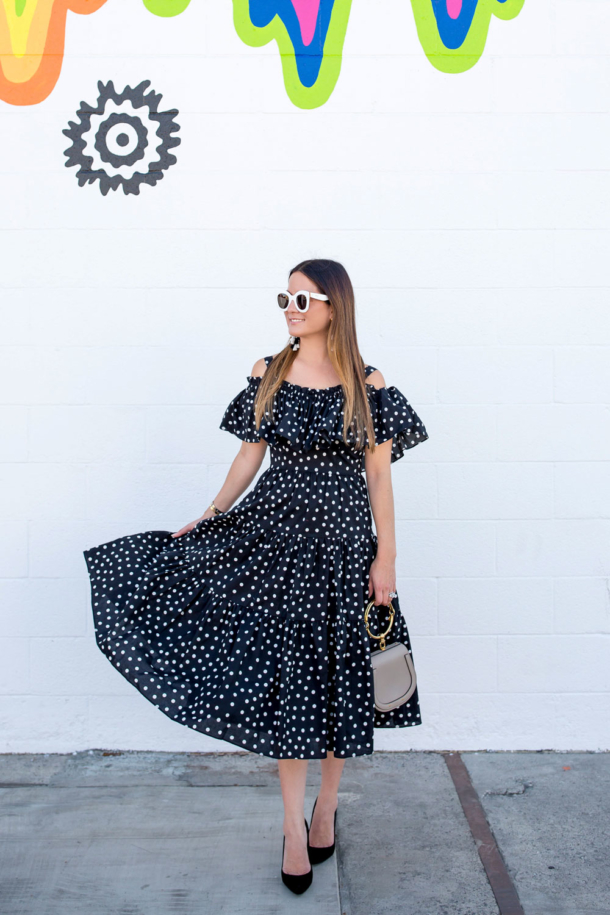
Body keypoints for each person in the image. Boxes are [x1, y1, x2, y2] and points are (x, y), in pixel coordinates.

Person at [83, 258, 429, 895]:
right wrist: (211, 514)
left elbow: (379, 477)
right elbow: (249, 455)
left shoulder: (369, 382)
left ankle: (326, 808)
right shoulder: (267, 373)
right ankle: (293, 829)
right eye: (286, 297)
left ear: (335, 306)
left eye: (304, 298)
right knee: (292, 689)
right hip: (272, 545)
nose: (292, 308)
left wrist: (388, 558)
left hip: (346, 549)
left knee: (339, 683)